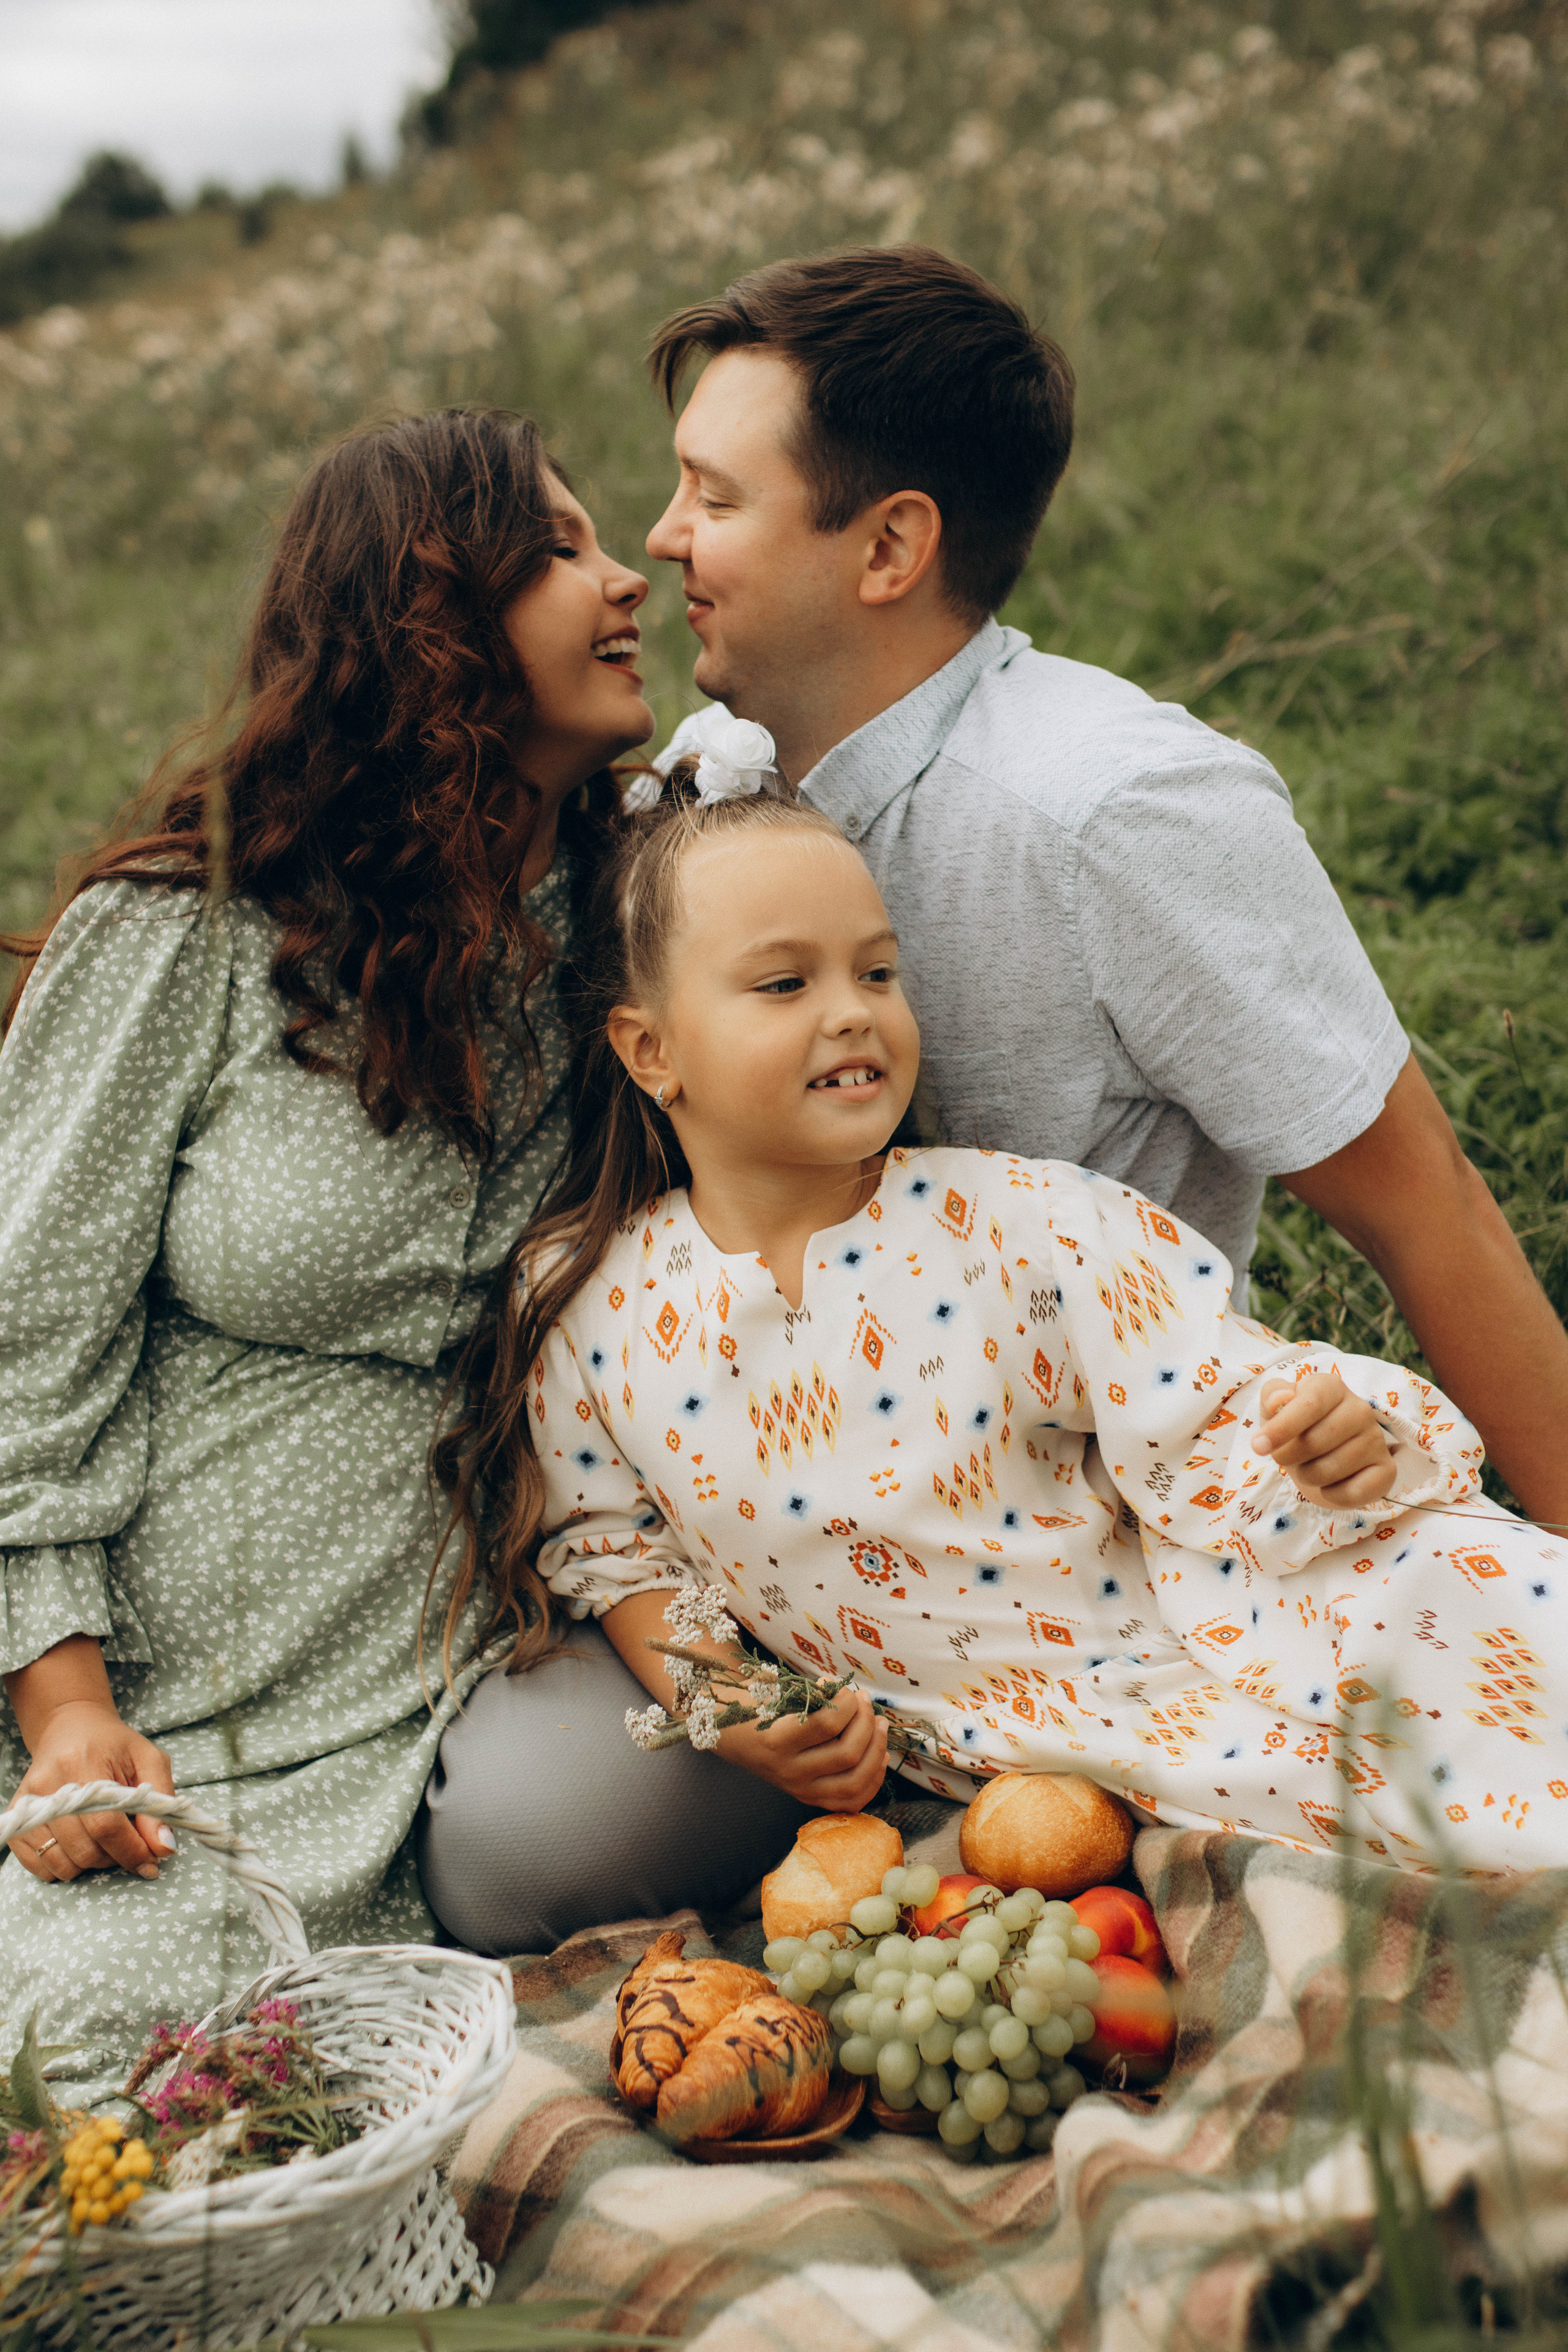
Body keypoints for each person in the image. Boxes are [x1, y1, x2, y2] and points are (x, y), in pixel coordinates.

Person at [0, 407, 802, 2100]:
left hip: (484, 1625)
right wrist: (63, 1708)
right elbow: (24, 1337)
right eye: (562, 552)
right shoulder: (189, 933)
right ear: (431, 622)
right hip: (167, 1648)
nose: (623, 585)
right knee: (88, 2031)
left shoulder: (632, 925)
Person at [473, 775, 1568, 1873]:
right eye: (785, 983)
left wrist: (1329, 1437)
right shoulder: (585, 1307)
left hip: (1239, 1588)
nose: (851, 1008)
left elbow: (1217, 1401)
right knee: (1444, 1823)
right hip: (1075, 1733)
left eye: (878, 971)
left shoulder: (1021, 1221)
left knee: (1485, 1605)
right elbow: (618, 1555)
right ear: (650, 1049)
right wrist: (741, 1709)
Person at [643, 243, 1568, 1537]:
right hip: (750, 1499)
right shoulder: (698, 785)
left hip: (1114, 1544)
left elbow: (1424, 1207)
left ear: (891, 545)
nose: (661, 534)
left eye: (714, 496)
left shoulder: (1116, 811)